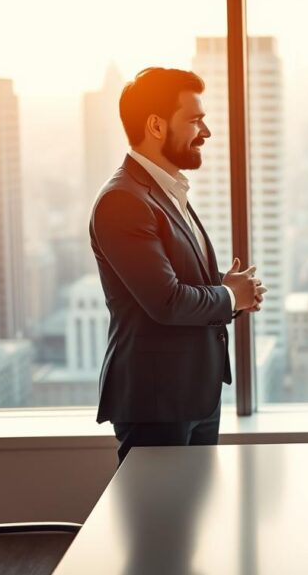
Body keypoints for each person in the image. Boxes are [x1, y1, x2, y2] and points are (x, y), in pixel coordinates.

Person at [90, 67, 267, 463]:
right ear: (155, 125)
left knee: (195, 522)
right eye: (194, 120)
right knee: (160, 523)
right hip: (157, 402)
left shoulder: (166, 191)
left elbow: (166, 280)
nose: (206, 132)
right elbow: (165, 301)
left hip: (194, 394)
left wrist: (228, 290)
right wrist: (227, 296)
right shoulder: (123, 201)